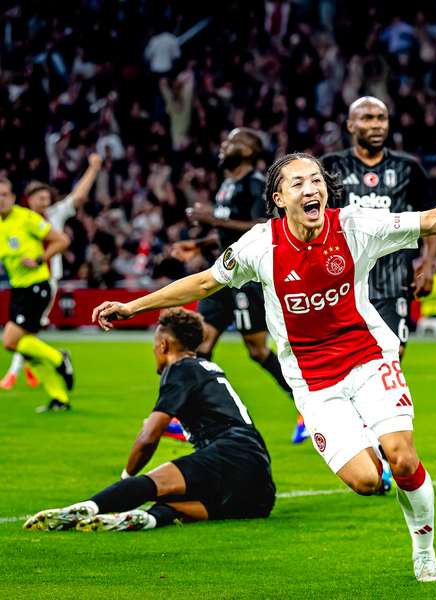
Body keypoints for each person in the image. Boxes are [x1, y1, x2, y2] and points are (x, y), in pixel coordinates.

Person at [92, 150, 436, 581]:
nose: (311, 188)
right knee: (367, 482)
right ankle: (368, 441)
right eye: (298, 182)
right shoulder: (259, 245)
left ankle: (424, 553)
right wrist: (134, 307)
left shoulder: (353, 225)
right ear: (279, 198)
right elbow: (206, 281)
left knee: (404, 459)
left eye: (316, 180)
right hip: (312, 383)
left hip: (368, 358)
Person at [24, 308, 276, 532]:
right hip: (259, 488)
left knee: (155, 485)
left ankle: (85, 508)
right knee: (174, 505)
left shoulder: (180, 368)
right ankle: (145, 519)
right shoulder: (207, 367)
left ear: (164, 344)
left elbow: (149, 436)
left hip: (231, 452)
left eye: (155, 344)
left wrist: (126, 482)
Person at [173, 128, 309, 444]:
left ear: (249, 151)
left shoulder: (257, 185)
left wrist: (212, 221)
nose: (224, 145)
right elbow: (229, 233)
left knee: (258, 351)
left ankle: (307, 406)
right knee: (200, 346)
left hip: (247, 280)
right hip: (222, 275)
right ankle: (198, 415)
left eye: (233, 141)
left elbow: (265, 227)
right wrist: (200, 243)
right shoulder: (227, 186)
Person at [321, 96, 436, 360]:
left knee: (392, 357)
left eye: (381, 118)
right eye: (367, 118)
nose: (376, 125)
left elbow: (431, 219)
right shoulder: (329, 167)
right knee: (343, 360)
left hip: (393, 275)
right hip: (342, 277)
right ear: (351, 125)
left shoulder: (408, 168)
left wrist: (429, 262)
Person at [2, 153, 102, 390]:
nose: (45, 202)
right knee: (25, 334)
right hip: (21, 283)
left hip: (45, 280)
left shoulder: (52, 215)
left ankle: (20, 370)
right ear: (30, 200)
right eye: (40, 198)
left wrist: (93, 169)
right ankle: (50, 386)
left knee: (19, 335)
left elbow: (78, 196)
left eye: (48, 198)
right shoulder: (15, 221)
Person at [0, 177, 74, 412]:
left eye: (4, 195)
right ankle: (59, 398)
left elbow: (62, 240)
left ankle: (59, 358)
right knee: (25, 349)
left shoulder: (27, 218)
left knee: (10, 341)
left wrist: (40, 258)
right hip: (18, 289)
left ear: (12, 197)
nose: (0, 200)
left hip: (36, 286)